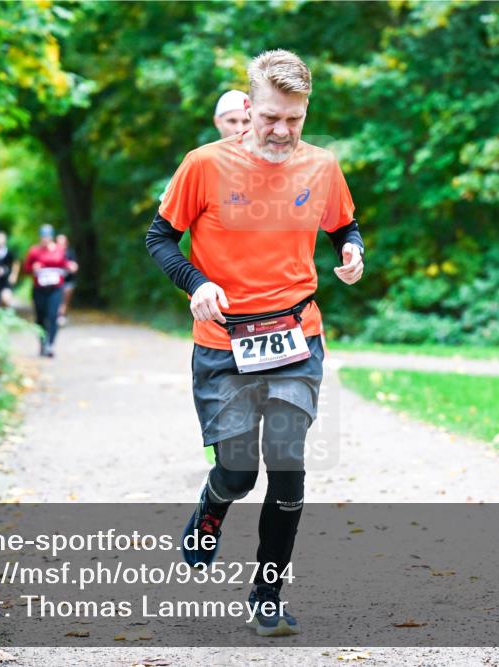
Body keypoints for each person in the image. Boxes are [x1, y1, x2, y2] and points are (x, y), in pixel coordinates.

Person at [145, 49, 365, 637]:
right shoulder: (203, 166)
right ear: (249, 105)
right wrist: (198, 283)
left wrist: (352, 251)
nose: (282, 131)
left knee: (288, 461)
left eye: (294, 119)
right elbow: (160, 237)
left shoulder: (321, 167)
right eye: (270, 117)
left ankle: (267, 592)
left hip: (297, 335)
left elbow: (344, 224)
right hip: (223, 342)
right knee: (239, 471)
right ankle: (213, 505)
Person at [23, 225, 77, 358]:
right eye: (43, 237)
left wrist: (71, 266)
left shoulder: (59, 250)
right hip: (39, 289)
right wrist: (33, 268)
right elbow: (26, 268)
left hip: (55, 289)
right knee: (40, 317)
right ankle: (42, 343)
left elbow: (65, 264)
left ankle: (50, 345)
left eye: (47, 237)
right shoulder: (34, 251)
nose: (45, 240)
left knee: (53, 316)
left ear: (51, 237)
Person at [56, 233, 78, 325]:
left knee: (65, 300)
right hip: (56, 282)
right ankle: (58, 316)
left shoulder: (70, 253)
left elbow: (75, 266)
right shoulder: (52, 253)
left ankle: (62, 315)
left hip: (68, 281)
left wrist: (71, 267)